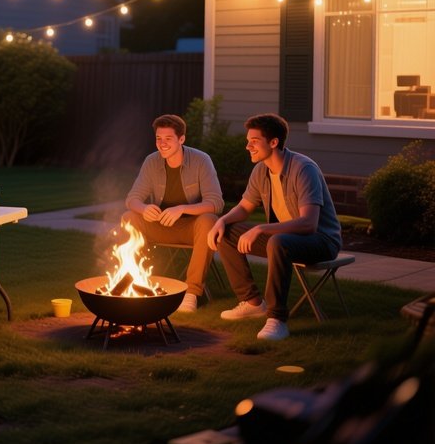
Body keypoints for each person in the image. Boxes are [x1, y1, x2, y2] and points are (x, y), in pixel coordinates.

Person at [208, 113, 342, 342]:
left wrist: (261, 229)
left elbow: (309, 224)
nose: (247, 146)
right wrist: (221, 221)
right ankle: (252, 303)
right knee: (227, 233)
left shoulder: (303, 168)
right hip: (284, 239)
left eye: (254, 141)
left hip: (320, 241)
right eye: (248, 140)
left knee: (278, 241)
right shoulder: (261, 170)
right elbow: (244, 207)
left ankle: (277, 319)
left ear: (273, 142)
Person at [123, 113, 224, 312]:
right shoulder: (151, 161)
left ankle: (191, 294)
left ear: (181, 139)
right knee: (129, 218)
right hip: (160, 226)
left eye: (168, 139)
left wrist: (183, 209)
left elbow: (216, 202)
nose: (162, 144)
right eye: (158, 139)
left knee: (209, 220)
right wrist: (144, 209)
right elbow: (131, 199)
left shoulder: (201, 160)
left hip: (191, 229)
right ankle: (136, 281)